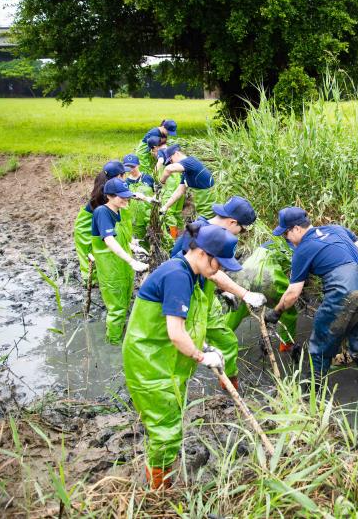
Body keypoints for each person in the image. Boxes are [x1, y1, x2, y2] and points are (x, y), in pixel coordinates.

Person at [122, 224, 240, 489]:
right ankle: (158, 490)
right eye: (218, 263)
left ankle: (161, 475)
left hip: (165, 358)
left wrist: (206, 346)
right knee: (167, 434)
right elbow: (176, 333)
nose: (219, 270)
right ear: (202, 253)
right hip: (150, 362)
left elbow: (189, 325)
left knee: (171, 422)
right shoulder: (177, 275)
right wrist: (201, 356)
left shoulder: (192, 274)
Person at [268, 207, 358, 380]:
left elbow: (293, 294)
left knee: (319, 347)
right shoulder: (336, 228)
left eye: (285, 234)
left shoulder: (303, 250)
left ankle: (309, 397)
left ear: (296, 229)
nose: (286, 239)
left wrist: (276, 312)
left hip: (344, 295)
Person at [170, 196, 265, 391]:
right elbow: (209, 271)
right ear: (232, 222)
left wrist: (223, 290)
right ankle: (186, 389)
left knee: (227, 340)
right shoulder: (200, 233)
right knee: (185, 346)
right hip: (187, 296)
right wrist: (244, 294)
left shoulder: (208, 230)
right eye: (242, 229)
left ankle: (229, 385)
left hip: (205, 294)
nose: (241, 234)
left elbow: (212, 272)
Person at [91, 178, 149, 344]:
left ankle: (121, 336)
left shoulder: (120, 211)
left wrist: (133, 245)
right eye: (121, 197)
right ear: (109, 196)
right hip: (111, 268)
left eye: (127, 196)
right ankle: (113, 344)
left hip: (123, 265)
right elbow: (109, 240)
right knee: (116, 308)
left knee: (125, 301)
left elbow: (121, 237)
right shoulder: (102, 212)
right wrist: (132, 261)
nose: (126, 200)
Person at [224, 237, 298, 351]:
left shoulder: (268, 243)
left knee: (237, 310)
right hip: (268, 279)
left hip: (244, 275)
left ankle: (219, 337)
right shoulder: (295, 248)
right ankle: (286, 343)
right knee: (288, 309)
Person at [74, 160, 128, 284]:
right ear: (118, 176)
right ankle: (90, 281)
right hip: (85, 226)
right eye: (123, 175)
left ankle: (98, 277)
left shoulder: (108, 185)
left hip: (93, 221)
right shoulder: (106, 193)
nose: (125, 179)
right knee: (88, 252)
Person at [158, 145, 216, 234]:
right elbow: (179, 191)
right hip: (202, 209)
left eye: (171, 160)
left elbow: (168, 169)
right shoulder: (186, 172)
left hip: (209, 208)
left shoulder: (190, 161)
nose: (171, 163)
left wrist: (162, 181)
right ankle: (178, 236)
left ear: (176, 154)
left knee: (197, 234)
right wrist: (165, 207)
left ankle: (177, 237)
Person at [123, 153, 156, 244]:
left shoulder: (148, 178)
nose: (131, 169)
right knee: (139, 242)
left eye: (133, 166)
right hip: (135, 220)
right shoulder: (126, 183)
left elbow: (157, 194)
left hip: (150, 216)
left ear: (138, 165)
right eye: (128, 167)